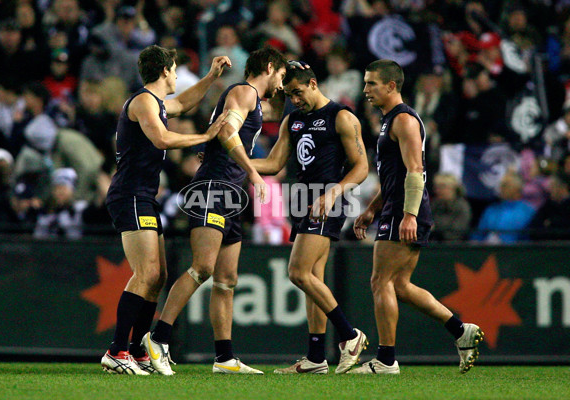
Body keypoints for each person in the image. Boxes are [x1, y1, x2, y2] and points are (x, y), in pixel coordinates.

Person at [142, 47, 288, 376]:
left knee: (227, 279)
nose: (281, 83)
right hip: (214, 187)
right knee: (202, 267)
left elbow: (252, 126)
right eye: (280, 75)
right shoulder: (244, 92)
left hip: (231, 193)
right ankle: (159, 338)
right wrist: (252, 173)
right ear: (268, 68)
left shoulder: (253, 99)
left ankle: (224, 358)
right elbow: (226, 131)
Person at [100, 44, 230, 375]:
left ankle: (137, 350)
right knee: (145, 274)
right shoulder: (143, 101)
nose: (176, 76)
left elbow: (185, 102)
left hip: (143, 196)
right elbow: (161, 139)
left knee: (157, 277)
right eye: (174, 70)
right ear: (164, 72)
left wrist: (211, 76)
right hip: (130, 195)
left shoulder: (155, 103)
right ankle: (116, 351)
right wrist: (205, 135)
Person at [352, 60, 483, 375]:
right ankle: (459, 330)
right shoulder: (389, 121)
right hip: (396, 206)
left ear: (391, 86)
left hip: (404, 210)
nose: (366, 90)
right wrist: (372, 208)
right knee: (399, 284)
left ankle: (385, 360)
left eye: (372, 84)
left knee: (380, 280)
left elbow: (415, 172)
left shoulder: (405, 120)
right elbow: (394, 175)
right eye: (366, 83)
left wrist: (408, 215)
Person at [251, 65, 370, 374]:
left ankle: (349, 335)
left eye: (298, 93)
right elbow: (275, 163)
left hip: (327, 202)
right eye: (289, 95)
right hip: (304, 202)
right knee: (312, 278)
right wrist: (232, 159)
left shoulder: (341, 117)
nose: (295, 99)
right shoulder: (293, 120)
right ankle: (316, 357)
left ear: (313, 84)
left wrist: (333, 193)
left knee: (297, 272)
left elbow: (361, 167)